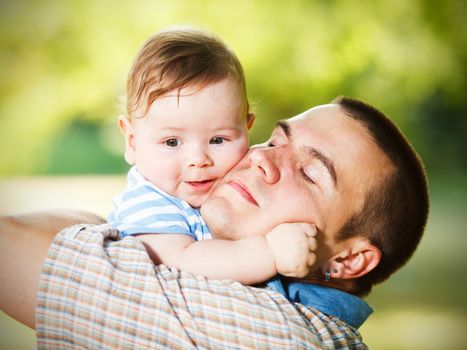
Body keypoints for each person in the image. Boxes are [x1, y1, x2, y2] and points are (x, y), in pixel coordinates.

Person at [0, 97, 429, 348]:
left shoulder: (267, 334)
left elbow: (10, 249)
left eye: (310, 173)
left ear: (349, 261)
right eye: (276, 140)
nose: (262, 158)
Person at [108, 27, 316, 284]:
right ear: (132, 142)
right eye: (172, 142)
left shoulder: (221, 197)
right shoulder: (147, 202)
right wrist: (271, 251)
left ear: (246, 129)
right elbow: (184, 261)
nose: (198, 159)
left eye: (218, 140)